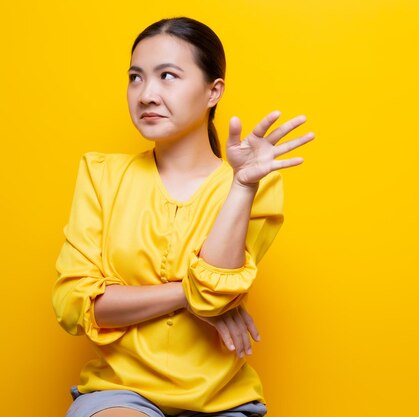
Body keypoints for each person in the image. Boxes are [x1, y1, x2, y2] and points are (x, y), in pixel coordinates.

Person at [52, 16, 313, 417]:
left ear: (214, 91)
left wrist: (242, 186)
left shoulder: (256, 185)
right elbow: (75, 304)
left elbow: (215, 295)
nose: (146, 95)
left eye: (167, 76)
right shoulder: (100, 174)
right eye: (135, 78)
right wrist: (187, 296)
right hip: (120, 392)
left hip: (222, 399)